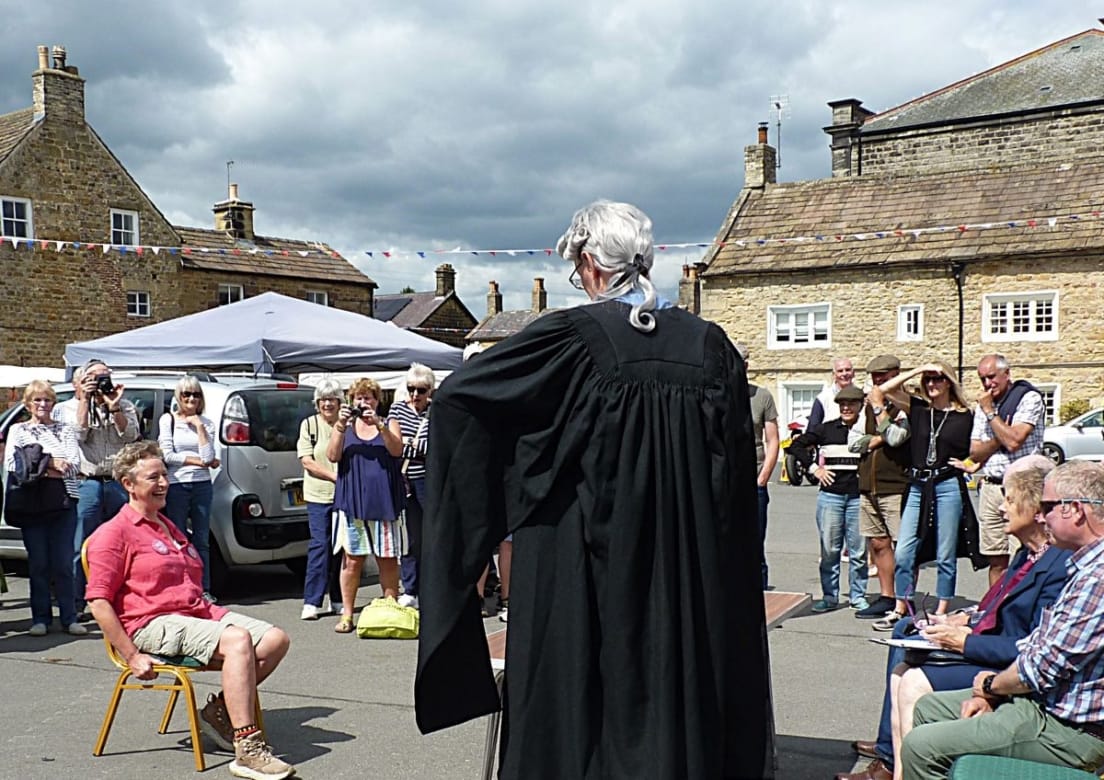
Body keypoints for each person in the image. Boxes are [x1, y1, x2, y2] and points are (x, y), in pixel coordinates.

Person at [414, 201, 774, 778]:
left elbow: (459, 399)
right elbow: (730, 480)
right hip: (686, 572)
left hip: (578, 566)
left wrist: (502, 502)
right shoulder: (712, 349)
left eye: (577, 268)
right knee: (677, 693)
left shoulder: (568, 341)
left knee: (578, 709)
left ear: (590, 263)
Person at [839, 456, 1070, 780]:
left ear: (1035, 510)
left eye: (1009, 499)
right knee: (905, 646)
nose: (1002, 508)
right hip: (992, 649)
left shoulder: (1057, 564)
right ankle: (892, 761)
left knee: (913, 680)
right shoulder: (1027, 554)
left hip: (1008, 667)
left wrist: (966, 640)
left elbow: (1031, 643)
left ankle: (902, 768)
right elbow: (995, 607)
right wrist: (962, 619)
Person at [84, 440, 294, 780]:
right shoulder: (113, 534)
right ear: (128, 484)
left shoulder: (167, 525)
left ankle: (218, 712)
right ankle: (247, 748)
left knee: (275, 640)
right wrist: (132, 655)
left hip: (195, 613)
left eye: (165, 475)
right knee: (238, 641)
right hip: (151, 621)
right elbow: (98, 601)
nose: (164, 483)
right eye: (153, 478)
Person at [900, 462, 1104, 780]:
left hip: (1070, 730)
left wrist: (989, 687)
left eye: (1048, 507)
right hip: (1043, 704)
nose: (1042, 515)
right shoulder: (1083, 565)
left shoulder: (1097, 578)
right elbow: (1036, 644)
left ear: (1075, 511)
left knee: (922, 746)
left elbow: (1039, 668)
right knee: (929, 708)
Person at [871, 362, 977, 630]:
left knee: (945, 551)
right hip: (917, 485)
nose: (932, 385)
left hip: (946, 482)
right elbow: (880, 390)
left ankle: (942, 609)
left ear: (949, 382)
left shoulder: (964, 415)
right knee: (905, 551)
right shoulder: (918, 409)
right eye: (928, 380)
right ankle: (902, 605)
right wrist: (917, 370)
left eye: (938, 379)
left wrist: (970, 463)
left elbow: (977, 449)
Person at [53, 359, 139, 616]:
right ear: (80, 382)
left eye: (105, 376)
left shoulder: (124, 404)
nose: (101, 381)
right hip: (87, 482)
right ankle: (77, 602)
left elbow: (131, 436)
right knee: (81, 545)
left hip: (117, 481)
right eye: (94, 377)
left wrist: (114, 408)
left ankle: (119, 599)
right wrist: (85, 401)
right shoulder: (67, 408)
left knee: (121, 544)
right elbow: (78, 435)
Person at [5, 379, 87, 636]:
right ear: (28, 404)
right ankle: (40, 618)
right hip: (32, 503)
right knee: (39, 563)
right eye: (37, 400)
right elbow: (14, 465)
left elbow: (73, 465)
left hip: (64, 502)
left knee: (63, 563)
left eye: (47, 400)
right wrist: (52, 462)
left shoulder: (65, 430)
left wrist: (37, 463)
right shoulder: (19, 431)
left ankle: (69, 617)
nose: (43, 404)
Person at [325, 377, 406, 634]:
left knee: (387, 559)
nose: (364, 402)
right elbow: (332, 456)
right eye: (359, 398)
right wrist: (339, 425)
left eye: (369, 398)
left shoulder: (389, 423)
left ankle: (390, 609)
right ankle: (347, 614)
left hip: (383, 501)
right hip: (352, 502)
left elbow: (397, 451)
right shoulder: (345, 427)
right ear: (352, 400)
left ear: (377, 400)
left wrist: (380, 426)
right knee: (351, 560)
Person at [969, 354, 1046, 587]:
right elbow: (975, 452)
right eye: (982, 378)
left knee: (1022, 555)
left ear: (1006, 374)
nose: (987, 384)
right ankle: (994, 611)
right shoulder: (983, 405)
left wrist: (991, 414)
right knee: (996, 558)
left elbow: (1014, 441)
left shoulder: (1027, 398)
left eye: (991, 377)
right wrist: (998, 438)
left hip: (1021, 486)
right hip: (991, 485)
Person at [791, 384, 869, 612]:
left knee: (858, 552)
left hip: (858, 497)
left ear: (860, 405)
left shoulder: (867, 429)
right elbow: (796, 446)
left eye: (851, 404)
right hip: (831, 497)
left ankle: (858, 596)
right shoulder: (825, 430)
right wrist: (815, 469)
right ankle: (829, 596)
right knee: (829, 550)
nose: (846, 408)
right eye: (842, 404)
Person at [852, 354, 911, 620]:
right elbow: (853, 442)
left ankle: (904, 599)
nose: (879, 383)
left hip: (896, 484)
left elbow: (897, 438)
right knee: (878, 544)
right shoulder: (867, 407)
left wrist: (880, 418)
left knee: (904, 547)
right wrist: (877, 439)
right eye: (876, 378)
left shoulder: (906, 405)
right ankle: (887, 596)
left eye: (884, 378)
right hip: (868, 485)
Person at [159, 376, 219, 601]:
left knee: (201, 539)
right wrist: (196, 461)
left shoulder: (207, 423)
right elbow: (167, 455)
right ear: (178, 397)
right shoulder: (168, 421)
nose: (191, 399)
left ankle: (203, 588)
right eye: (186, 394)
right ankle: (181, 586)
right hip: (177, 485)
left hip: (202, 484)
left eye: (195, 394)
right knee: (179, 537)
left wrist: (199, 427)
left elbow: (209, 456)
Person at [296, 378, 344, 621]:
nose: (327, 404)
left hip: (344, 497)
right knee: (320, 546)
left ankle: (337, 599)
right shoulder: (309, 425)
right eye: (323, 399)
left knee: (341, 548)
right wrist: (334, 477)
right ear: (317, 402)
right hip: (318, 496)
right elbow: (306, 461)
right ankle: (312, 601)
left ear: (339, 401)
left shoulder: (347, 425)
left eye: (332, 399)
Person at [389, 363, 435, 610]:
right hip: (406, 480)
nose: (415, 395)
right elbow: (394, 446)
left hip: (430, 480)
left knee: (433, 534)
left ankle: (431, 586)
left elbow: (435, 448)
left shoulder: (435, 412)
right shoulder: (397, 409)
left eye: (421, 390)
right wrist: (411, 446)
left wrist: (409, 444)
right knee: (411, 537)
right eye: (411, 389)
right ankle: (410, 588)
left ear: (430, 391)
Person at [736, 342, 781, 589]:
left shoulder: (761, 396)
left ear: (746, 366)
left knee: (754, 542)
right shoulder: (716, 394)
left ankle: (761, 596)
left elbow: (773, 439)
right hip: (726, 481)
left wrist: (763, 476)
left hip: (754, 479)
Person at [807, 357, 856, 430]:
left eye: (848, 370)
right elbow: (812, 429)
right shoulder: (823, 398)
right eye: (840, 371)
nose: (844, 373)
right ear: (834, 375)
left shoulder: (863, 396)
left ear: (853, 373)